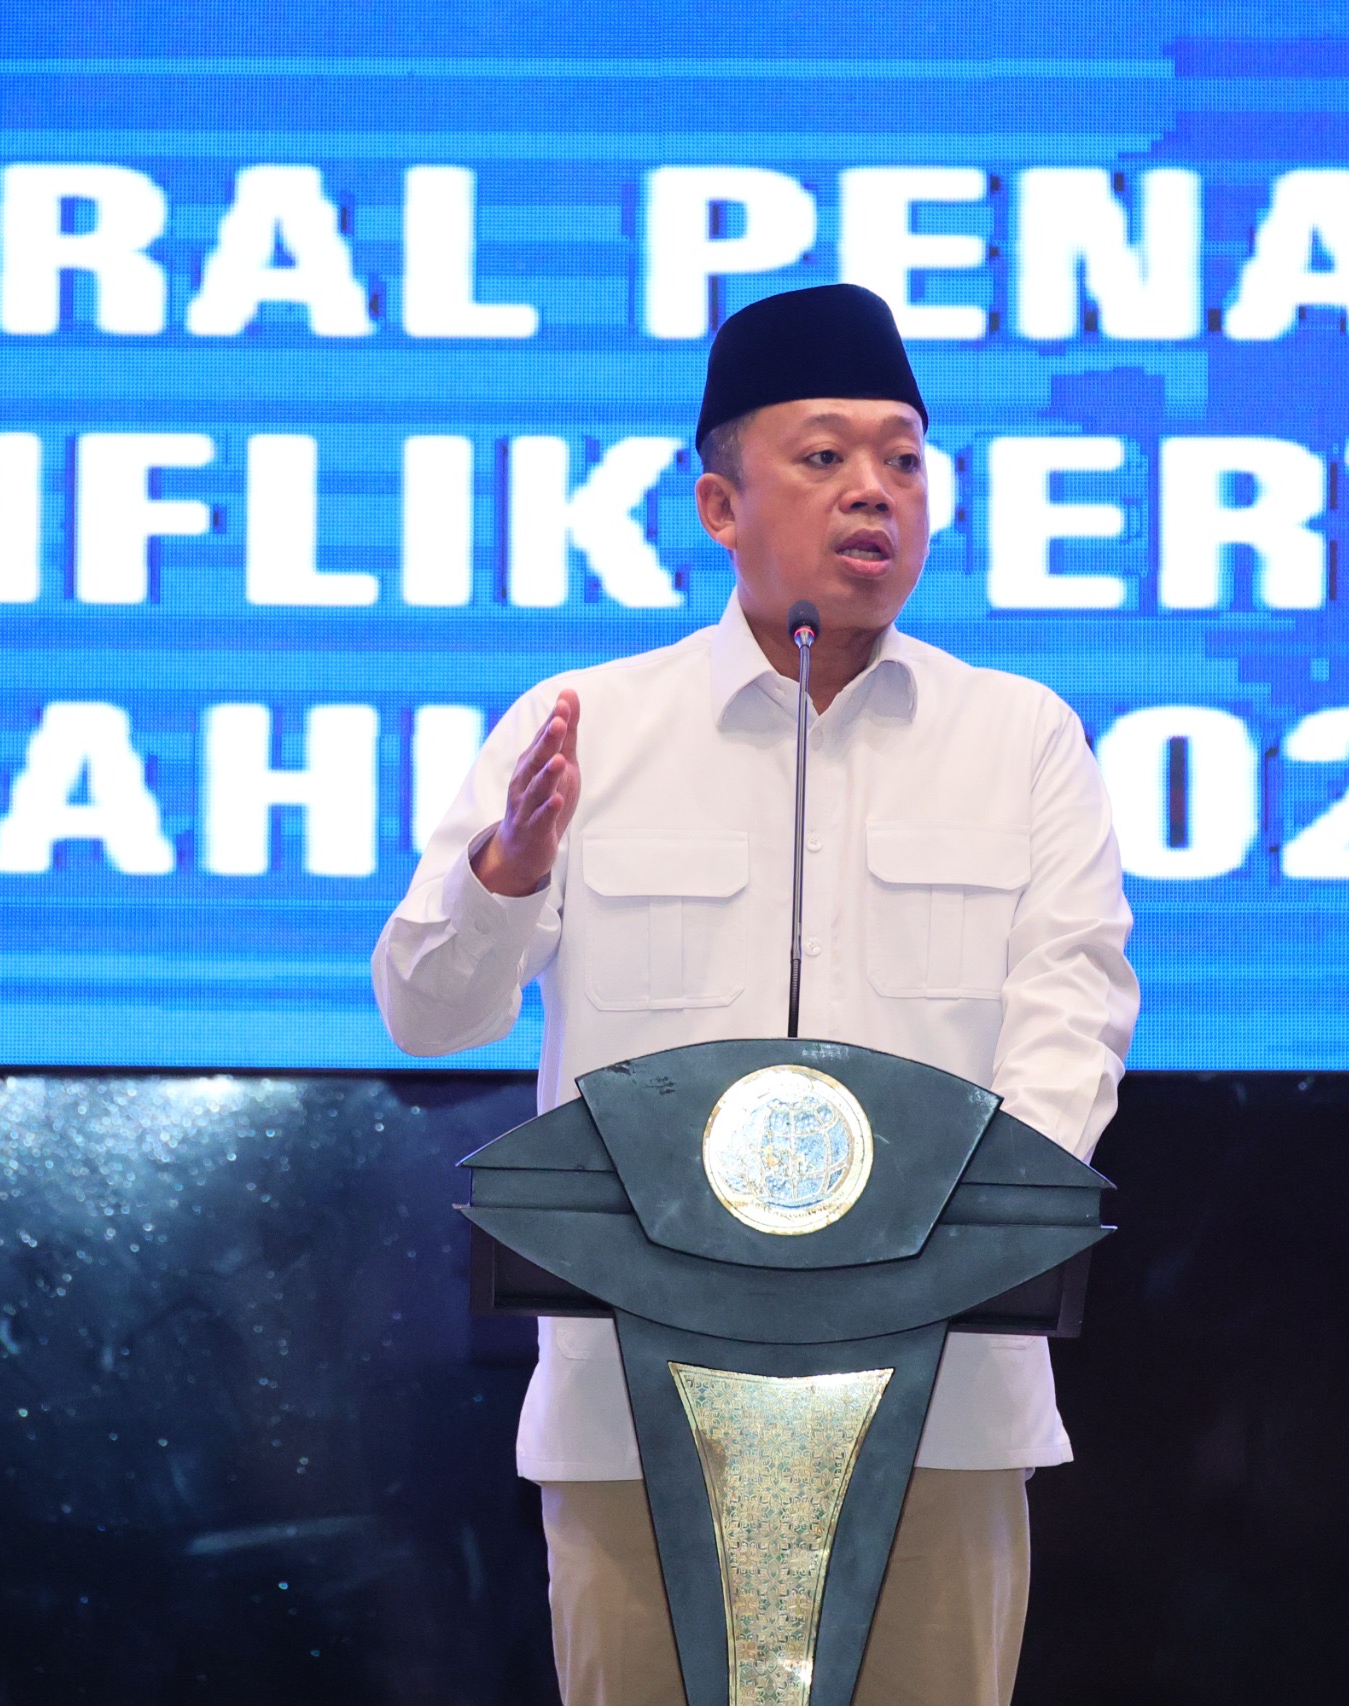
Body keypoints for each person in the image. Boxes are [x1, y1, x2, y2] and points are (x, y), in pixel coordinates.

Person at [372, 282, 1137, 1706]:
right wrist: (504, 873)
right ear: (719, 506)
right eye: (825, 455)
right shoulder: (586, 726)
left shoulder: (1021, 739)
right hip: (634, 1416)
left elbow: (1069, 1022)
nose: (875, 492)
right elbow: (430, 1015)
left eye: (904, 459)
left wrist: (953, 1238)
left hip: (942, 1410)